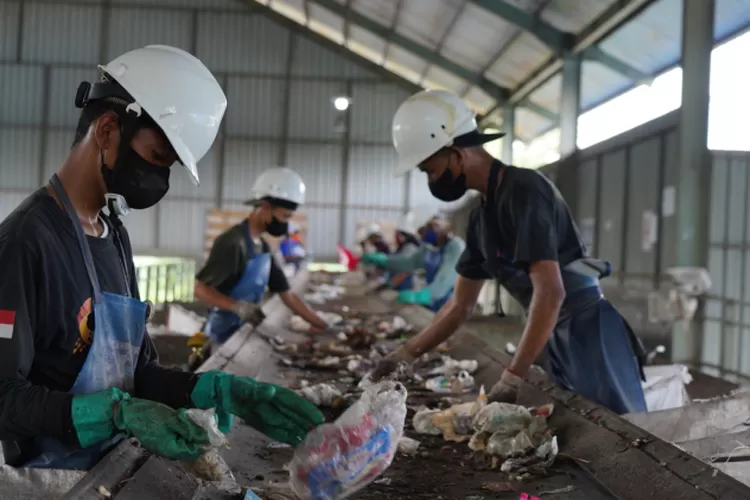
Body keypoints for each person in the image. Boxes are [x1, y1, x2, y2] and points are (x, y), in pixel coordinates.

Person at [0, 45, 323, 470]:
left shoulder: (113, 235)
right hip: (47, 480)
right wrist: (114, 413)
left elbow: (140, 375)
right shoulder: (25, 242)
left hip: (105, 468)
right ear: (107, 130)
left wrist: (216, 390)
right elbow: (4, 396)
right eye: (156, 158)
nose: (158, 179)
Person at [374, 89, 647, 415]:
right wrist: (405, 354)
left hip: (590, 332)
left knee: (618, 425)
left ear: (456, 154)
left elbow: (551, 291)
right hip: (553, 333)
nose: (431, 179)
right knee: (578, 418)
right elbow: (459, 305)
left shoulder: (525, 190)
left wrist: (512, 377)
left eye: (429, 169)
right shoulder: (481, 219)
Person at [194, 167, 328, 345]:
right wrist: (237, 307)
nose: (286, 224)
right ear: (264, 207)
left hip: (244, 329)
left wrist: (323, 326)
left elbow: (288, 296)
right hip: (221, 335)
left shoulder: (263, 247)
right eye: (285, 216)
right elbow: (200, 289)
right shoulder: (234, 243)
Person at [362, 207, 465, 311]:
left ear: (436, 226)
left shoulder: (456, 247)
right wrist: (385, 261)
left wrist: (419, 296)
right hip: (433, 303)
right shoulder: (429, 248)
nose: (422, 236)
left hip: (452, 304)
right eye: (420, 233)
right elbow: (409, 262)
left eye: (424, 231)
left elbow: (444, 281)